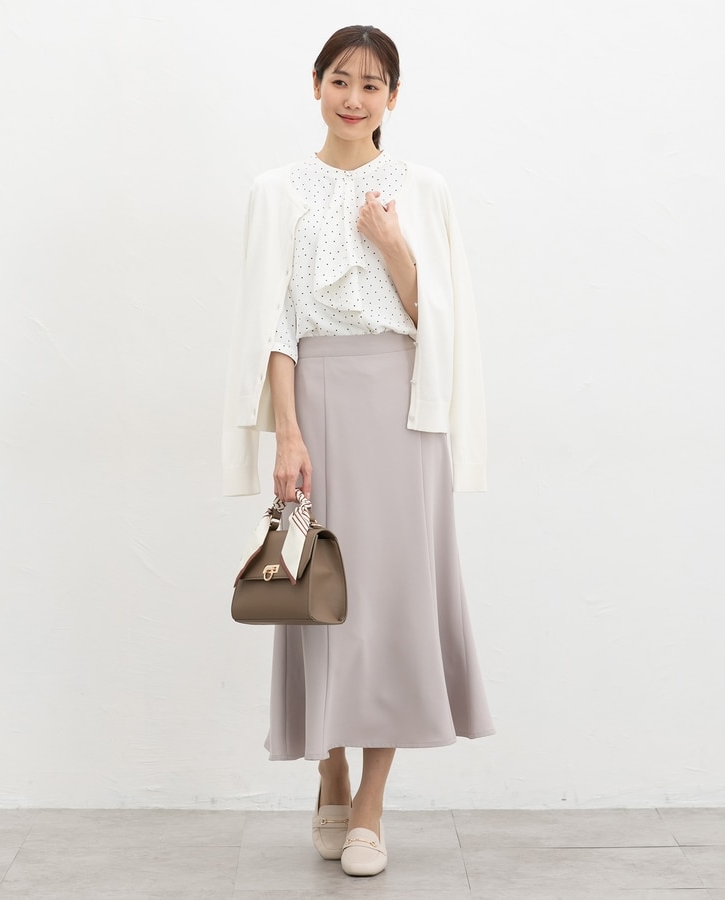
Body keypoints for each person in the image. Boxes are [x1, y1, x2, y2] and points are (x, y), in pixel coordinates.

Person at [222, 24, 494, 877]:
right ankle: (329, 767)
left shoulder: (423, 188)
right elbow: (274, 319)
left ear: (393, 99)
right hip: (316, 402)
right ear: (316, 84)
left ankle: (370, 803)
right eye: (341, 80)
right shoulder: (277, 190)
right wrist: (287, 431)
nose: (354, 98)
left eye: (372, 85)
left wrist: (393, 245)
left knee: (395, 602)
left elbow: (439, 317)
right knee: (318, 592)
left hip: (404, 411)